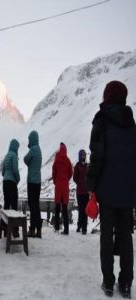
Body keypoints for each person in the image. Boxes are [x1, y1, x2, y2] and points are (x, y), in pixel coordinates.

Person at [86, 81, 136, 298]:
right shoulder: (131, 124)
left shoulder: (101, 121)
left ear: (107, 97)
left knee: (106, 237)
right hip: (128, 192)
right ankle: (126, 283)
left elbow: (97, 156)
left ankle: (108, 281)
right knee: (126, 237)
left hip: (106, 190)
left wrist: (91, 186)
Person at [23, 130, 42, 238]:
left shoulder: (33, 149)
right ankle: (38, 229)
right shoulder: (39, 149)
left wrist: (30, 147)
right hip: (38, 182)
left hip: (31, 181)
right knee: (36, 206)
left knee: (32, 205)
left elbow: (25, 160)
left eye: (29, 140)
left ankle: (32, 229)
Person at [52, 143, 72, 235]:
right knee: (64, 208)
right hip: (65, 186)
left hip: (58, 186)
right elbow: (70, 173)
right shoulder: (68, 161)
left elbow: (54, 172)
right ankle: (66, 229)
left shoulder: (56, 160)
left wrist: (56, 181)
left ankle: (56, 227)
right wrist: (66, 180)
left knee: (57, 207)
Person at [2, 139, 20, 238]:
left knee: (6, 205)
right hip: (12, 182)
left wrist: (6, 176)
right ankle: (14, 230)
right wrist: (17, 179)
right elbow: (15, 170)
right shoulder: (14, 156)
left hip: (5, 182)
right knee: (14, 206)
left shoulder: (6, 156)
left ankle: (4, 229)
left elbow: (2, 172)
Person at [73, 149, 89, 234]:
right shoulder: (77, 166)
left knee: (85, 210)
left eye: (85, 155)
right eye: (83, 155)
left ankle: (84, 228)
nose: (84, 156)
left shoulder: (87, 166)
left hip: (86, 192)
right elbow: (74, 177)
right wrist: (80, 183)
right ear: (80, 156)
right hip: (79, 192)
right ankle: (79, 226)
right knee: (81, 209)